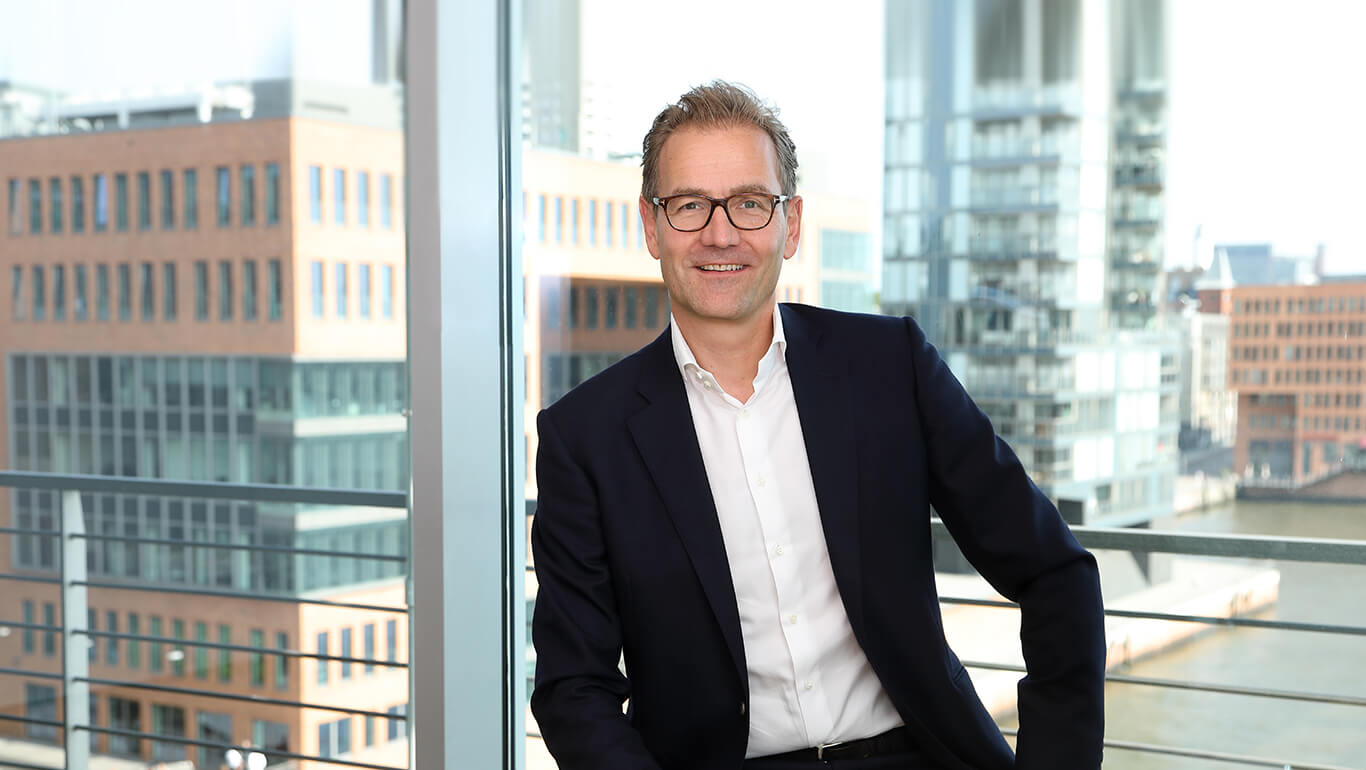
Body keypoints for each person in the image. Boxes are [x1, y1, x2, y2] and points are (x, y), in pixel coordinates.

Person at [530, 81, 1105, 770]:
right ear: (652, 227)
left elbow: (1056, 573)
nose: (720, 233)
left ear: (791, 224)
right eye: (689, 206)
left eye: (749, 203)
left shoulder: (891, 367)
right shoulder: (584, 438)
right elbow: (574, 690)